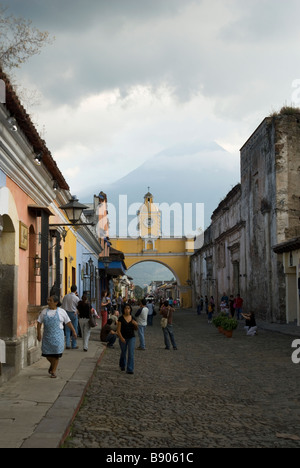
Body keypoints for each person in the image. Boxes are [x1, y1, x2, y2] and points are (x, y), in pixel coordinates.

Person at [37, 295, 77, 378]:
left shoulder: (61, 312)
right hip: (47, 337)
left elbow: (68, 322)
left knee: (56, 354)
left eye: (50, 300)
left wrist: (73, 331)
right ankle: (52, 365)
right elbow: (39, 323)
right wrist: (39, 333)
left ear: (56, 302)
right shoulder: (44, 312)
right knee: (47, 354)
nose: (48, 302)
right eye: (48, 300)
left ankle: (53, 371)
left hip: (58, 337)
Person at [117, 303, 137, 374]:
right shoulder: (121, 318)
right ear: (123, 309)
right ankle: (122, 365)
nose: (127, 310)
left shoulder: (133, 318)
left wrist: (135, 324)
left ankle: (130, 369)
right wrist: (121, 338)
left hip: (131, 337)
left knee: (131, 353)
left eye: (128, 308)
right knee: (123, 352)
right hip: (123, 337)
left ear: (130, 310)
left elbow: (136, 329)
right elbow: (118, 330)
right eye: (126, 308)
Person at [61, 285, 80, 349]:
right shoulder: (76, 298)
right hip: (73, 314)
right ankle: (74, 344)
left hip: (66, 313)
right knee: (74, 329)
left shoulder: (66, 296)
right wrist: (77, 311)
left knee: (67, 329)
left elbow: (63, 305)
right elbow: (78, 307)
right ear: (76, 290)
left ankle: (68, 344)